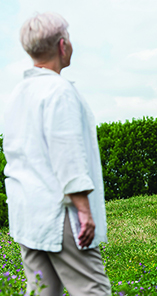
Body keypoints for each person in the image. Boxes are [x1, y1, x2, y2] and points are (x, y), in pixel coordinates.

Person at [3, 12, 111, 295]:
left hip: (27, 212)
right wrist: (84, 212)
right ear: (63, 45)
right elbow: (67, 154)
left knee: (42, 290)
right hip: (59, 214)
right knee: (92, 289)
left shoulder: (19, 93)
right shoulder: (59, 91)